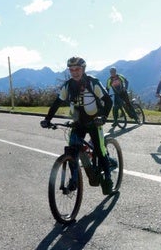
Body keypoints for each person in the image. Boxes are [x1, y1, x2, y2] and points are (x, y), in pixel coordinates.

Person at [40, 56, 114, 195]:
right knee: (73, 149)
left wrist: (102, 117)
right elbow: (57, 102)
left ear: (83, 69)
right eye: (72, 69)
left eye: (77, 69)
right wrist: (47, 119)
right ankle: (74, 180)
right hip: (78, 122)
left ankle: (108, 178)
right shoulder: (68, 85)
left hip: (94, 121)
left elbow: (108, 101)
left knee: (99, 149)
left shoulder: (93, 83)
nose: (74, 72)